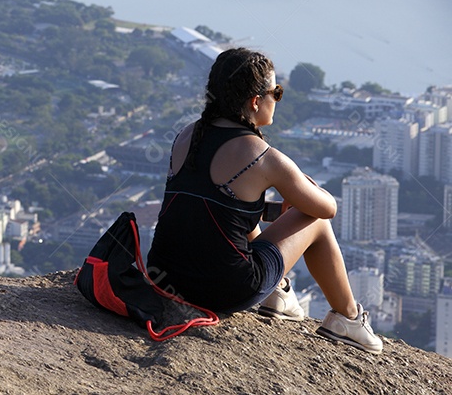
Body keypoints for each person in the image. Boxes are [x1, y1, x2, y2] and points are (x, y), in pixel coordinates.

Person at [146, 47, 382, 354]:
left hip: (163, 278)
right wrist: (307, 187)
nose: (278, 99)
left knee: (240, 207)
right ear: (256, 101)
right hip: (223, 291)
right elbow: (327, 209)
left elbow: (217, 210)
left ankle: (278, 294)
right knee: (317, 222)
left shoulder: (186, 136)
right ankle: (348, 319)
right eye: (277, 92)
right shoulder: (263, 157)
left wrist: (276, 208)